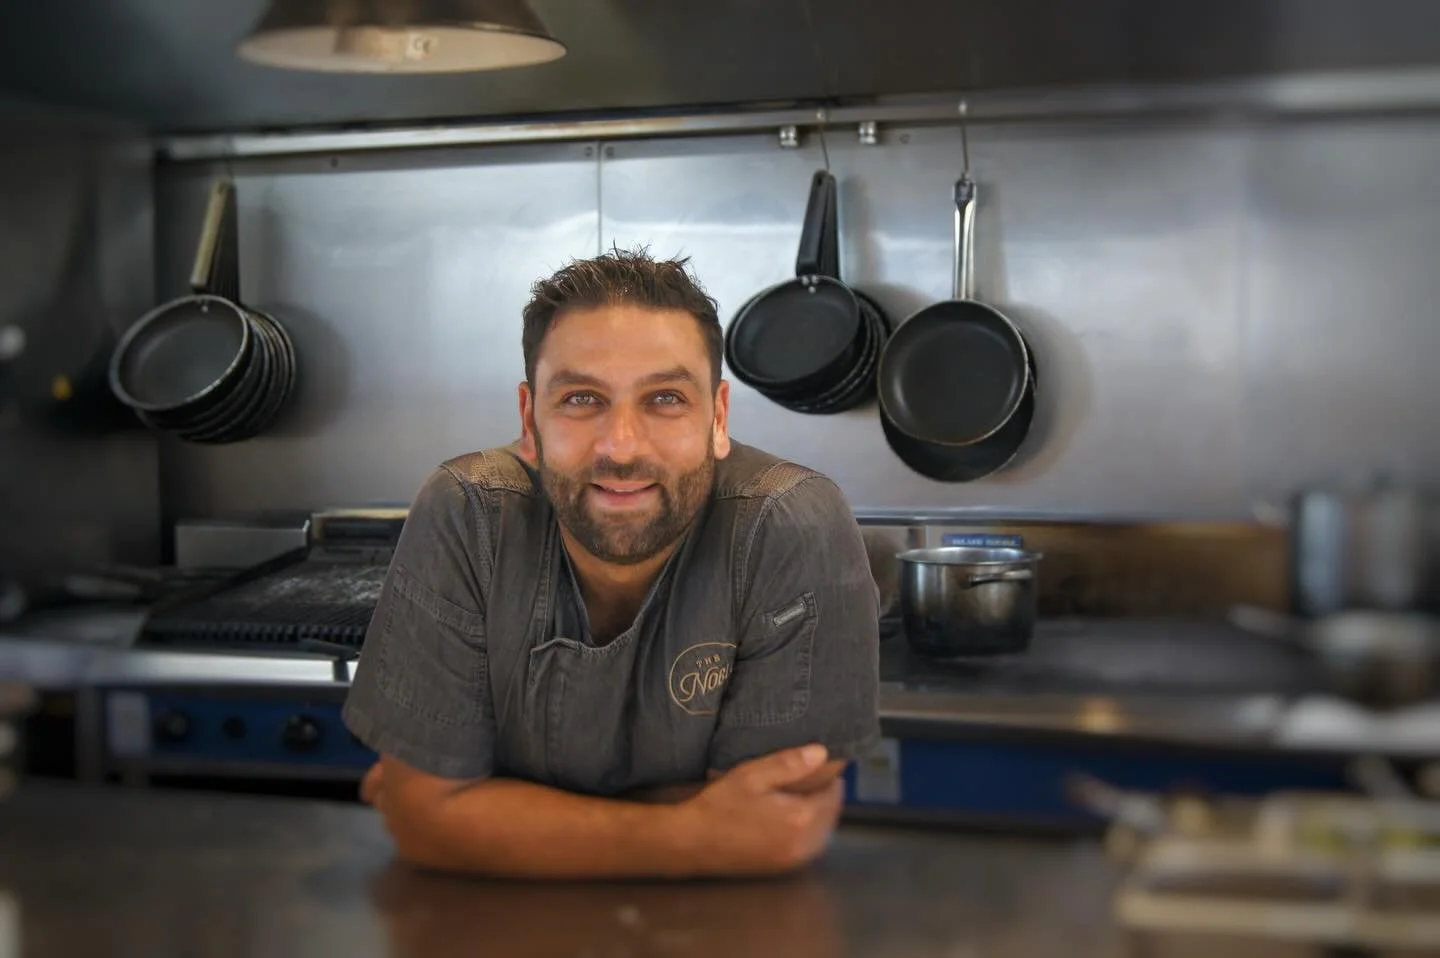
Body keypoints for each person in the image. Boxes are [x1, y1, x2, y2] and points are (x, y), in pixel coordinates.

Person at [342, 247, 881, 880]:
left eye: (666, 399)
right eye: (580, 399)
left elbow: (775, 827)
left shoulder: (790, 521)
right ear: (529, 418)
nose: (620, 446)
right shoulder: (469, 511)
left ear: (717, 417)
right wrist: (690, 830)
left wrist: (496, 814)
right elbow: (422, 818)